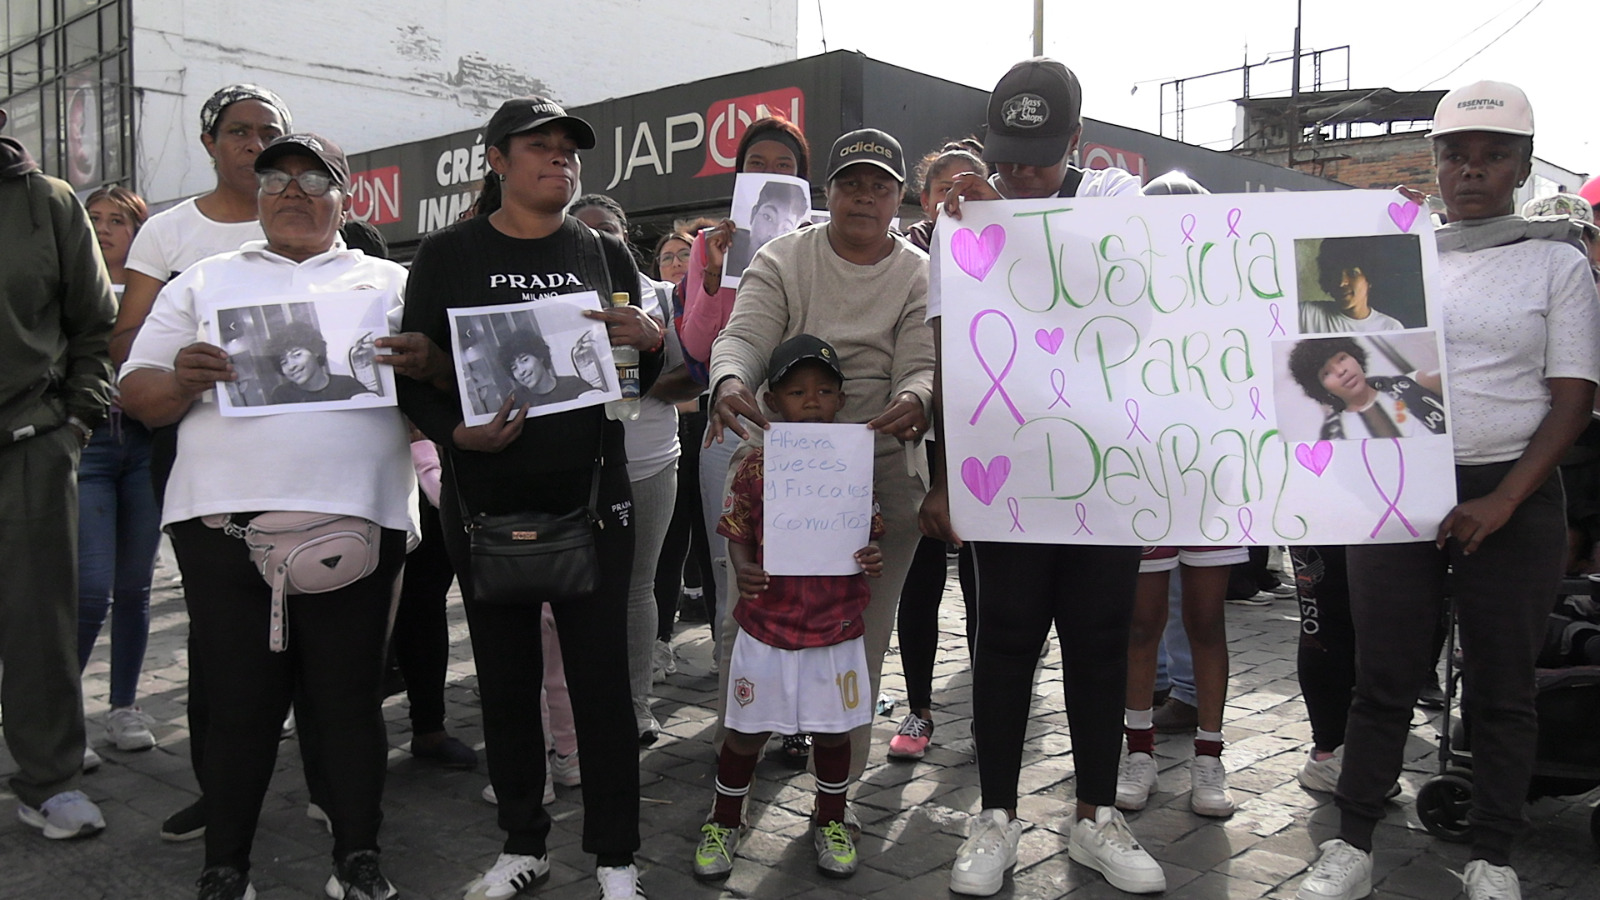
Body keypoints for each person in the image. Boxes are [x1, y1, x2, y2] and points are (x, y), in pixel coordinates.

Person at [1296, 80, 1600, 900]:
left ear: (1522, 166)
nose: (1472, 172)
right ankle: (1352, 842)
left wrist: (1503, 502)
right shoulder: (1399, 251)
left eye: (1493, 156)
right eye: (1455, 156)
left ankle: (1493, 854)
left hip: (1516, 490)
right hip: (1402, 481)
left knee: (1503, 685)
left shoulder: (1556, 262)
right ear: (1433, 163)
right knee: (1384, 676)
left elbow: (1574, 396)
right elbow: (1334, 360)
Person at [119, 132, 415, 900]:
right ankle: (226, 866)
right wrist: (181, 378)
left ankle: (357, 856)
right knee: (239, 703)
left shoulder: (393, 282)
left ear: (346, 198)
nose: (292, 188)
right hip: (222, 527)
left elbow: (446, 396)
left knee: (348, 702)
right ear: (256, 194)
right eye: (276, 176)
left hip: (359, 519)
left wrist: (424, 364)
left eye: (313, 177)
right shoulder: (205, 280)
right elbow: (140, 397)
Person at [397, 95, 663, 900]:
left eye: (568, 150)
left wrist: (651, 346)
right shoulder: (446, 255)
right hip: (483, 501)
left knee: (601, 685)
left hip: (591, 498)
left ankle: (617, 859)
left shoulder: (605, 251)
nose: (559, 159)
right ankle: (523, 844)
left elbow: (629, 384)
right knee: (507, 681)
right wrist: (453, 435)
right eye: (539, 147)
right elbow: (419, 374)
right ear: (496, 161)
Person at [927, 57, 1163, 896]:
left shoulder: (1111, 200)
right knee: (1006, 639)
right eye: (1007, 156)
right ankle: (995, 814)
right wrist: (948, 475)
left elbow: (1126, 283)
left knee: (1100, 640)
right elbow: (952, 350)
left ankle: (1096, 815)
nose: (1019, 173)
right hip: (1009, 469)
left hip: (1107, 468)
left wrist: (1003, 217)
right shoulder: (959, 221)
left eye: (1038, 156)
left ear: (1078, 144)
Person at [707, 126, 933, 783]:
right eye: (851, 183)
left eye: (880, 186)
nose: (865, 196)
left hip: (878, 464)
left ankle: (839, 793)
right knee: (747, 618)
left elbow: (922, 365)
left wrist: (918, 397)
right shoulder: (781, 257)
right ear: (826, 193)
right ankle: (733, 774)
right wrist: (729, 381)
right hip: (778, 462)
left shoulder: (920, 274)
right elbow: (743, 336)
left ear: (900, 200)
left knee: (862, 631)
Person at [106, 83, 293, 844]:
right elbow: (125, 345)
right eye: (239, 132)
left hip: (304, 450)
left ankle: (332, 784)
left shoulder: (308, 214)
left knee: (316, 622)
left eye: (267, 132)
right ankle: (218, 790)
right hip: (194, 447)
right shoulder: (172, 233)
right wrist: (186, 352)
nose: (254, 144)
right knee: (220, 629)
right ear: (211, 143)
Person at [693, 335, 885, 882]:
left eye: (825, 390)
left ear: (842, 400)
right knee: (747, 730)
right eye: (797, 391)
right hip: (768, 624)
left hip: (837, 624)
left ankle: (830, 817)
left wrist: (871, 555)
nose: (812, 400)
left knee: (833, 731)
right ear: (773, 402)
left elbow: (868, 531)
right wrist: (743, 563)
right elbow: (735, 525)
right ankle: (725, 817)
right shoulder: (755, 463)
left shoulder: (853, 463)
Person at [1, 105, 116, 841]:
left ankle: (49, 780)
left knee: (39, 623)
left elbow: (93, 323)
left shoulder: (45, 200)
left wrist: (75, 423)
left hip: (29, 445)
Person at [680, 116, 811, 691]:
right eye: (758, 164)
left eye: (785, 167)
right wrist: (712, 280)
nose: (770, 175)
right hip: (731, 420)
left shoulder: (822, 243)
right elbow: (698, 346)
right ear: (740, 175)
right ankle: (737, 706)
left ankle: (795, 712)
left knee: (802, 561)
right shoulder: (712, 244)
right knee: (731, 563)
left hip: (805, 420)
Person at [570, 192, 698, 745]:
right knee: (574, 594)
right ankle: (574, 711)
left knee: (637, 588)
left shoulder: (663, 298)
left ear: (626, 237)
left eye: (608, 232)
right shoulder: (554, 296)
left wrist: (648, 352)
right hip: (573, 467)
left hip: (648, 463)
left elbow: (694, 378)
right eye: (583, 232)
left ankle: (636, 704)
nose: (596, 242)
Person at [887, 140, 987, 761]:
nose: (957, 195)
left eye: (970, 183)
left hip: (989, 441)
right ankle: (918, 708)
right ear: (923, 200)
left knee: (986, 588)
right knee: (918, 584)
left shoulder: (1010, 251)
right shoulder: (905, 262)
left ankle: (988, 714)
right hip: (922, 443)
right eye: (943, 185)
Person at [75, 186, 161, 767]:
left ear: (139, 233)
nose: (104, 229)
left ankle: (124, 706)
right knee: (88, 590)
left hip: (144, 447)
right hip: (87, 450)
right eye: (95, 219)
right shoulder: (73, 290)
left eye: (118, 221)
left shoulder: (154, 294)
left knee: (135, 588)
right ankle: (59, 716)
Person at [1287, 337, 1446, 441]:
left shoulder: (1411, 383)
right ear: (1320, 387)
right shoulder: (1334, 436)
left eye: (1342, 358)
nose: (1341, 371)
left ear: (1355, 357)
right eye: (1326, 373)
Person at [1299, 237, 1415, 333]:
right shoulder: (1307, 314)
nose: (1342, 282)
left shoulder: (1390, 328)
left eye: (1352, 273)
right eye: (1336, 274)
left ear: (1370, 279)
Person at [265, 320, 375, 404]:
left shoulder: (346, 385)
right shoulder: (281, 396)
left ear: (316, 351)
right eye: (284, 362)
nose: (291, 366)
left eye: (297, 355)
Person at [725, 178, 810, 277]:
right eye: (768, 217)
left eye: (786, 228)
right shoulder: (727, 248)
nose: (773, 234)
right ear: (753, 215)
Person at [498, 329, 600, 407]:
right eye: (514, 367)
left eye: (524, 360)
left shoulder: (573, 385)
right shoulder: (516, 401)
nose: (521, 371)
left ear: (540, 356)